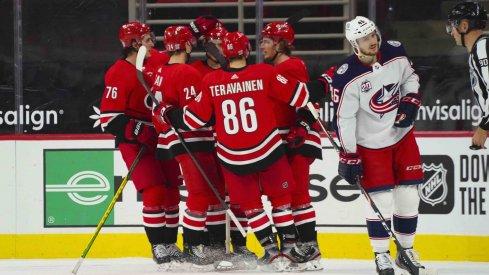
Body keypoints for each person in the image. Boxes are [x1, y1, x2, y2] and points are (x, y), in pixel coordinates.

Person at [153, 31, 325, 272]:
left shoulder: (212, 80)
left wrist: (167, 113)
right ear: (246, 51)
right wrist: (328, 82)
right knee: (282, 202)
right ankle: (288, 249)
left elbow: (192, 119)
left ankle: (272, 253)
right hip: (269, 150)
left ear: (224, 53)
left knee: (252, 207)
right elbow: (302, 96)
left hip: (232, 156)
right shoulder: (265, 73)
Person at [331, 16, 426, 275]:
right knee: (381, 200)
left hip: (402, 136)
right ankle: (382, 255)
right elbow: (343, 119)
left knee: (409, 197)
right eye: (364, 38)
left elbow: (411, 77)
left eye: (373, 34)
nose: (372, 41)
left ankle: (406, 252)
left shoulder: (395, 51)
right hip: (370, 145)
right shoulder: (347, 75)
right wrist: (348, 154)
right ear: (354, 43)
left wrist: (410, 99)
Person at [151, 25, 247, 271]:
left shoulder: (162, 71)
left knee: (214, 192)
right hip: (194, 140)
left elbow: (159, 114)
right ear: (186, 45)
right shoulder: (188, 73)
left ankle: (213, 245)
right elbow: (199, 113)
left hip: (182, 140)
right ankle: (194, 245)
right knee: (200, 194)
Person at [98, 21, 183, 268]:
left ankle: (170, 243)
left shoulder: (154, 61)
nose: (152, 42)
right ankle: (158, 245)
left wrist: (195, 30)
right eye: (146, 38)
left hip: (161, 135)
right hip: (135, 142)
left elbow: (176, 56)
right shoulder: (118, 71)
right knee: (155, 191)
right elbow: (109, 119)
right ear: (135, 43)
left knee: (172, 191)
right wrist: (138, 129)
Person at [259, 21, 323, 271]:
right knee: (286, 196)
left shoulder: (291, 66)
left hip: (298, 141)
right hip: (286, 140)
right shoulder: (278, 67)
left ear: (280, 43)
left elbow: (307, 102)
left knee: (297, 197)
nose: (262, 46)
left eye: (266, 41)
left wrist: (302, 127)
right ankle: (299, 247)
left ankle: (310, 248)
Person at [447, 1, 489, 149]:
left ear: (464, 26)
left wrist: (483, 128)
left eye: (452, 26)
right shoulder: (480, 49)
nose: (451, 32)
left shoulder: (482, 48)